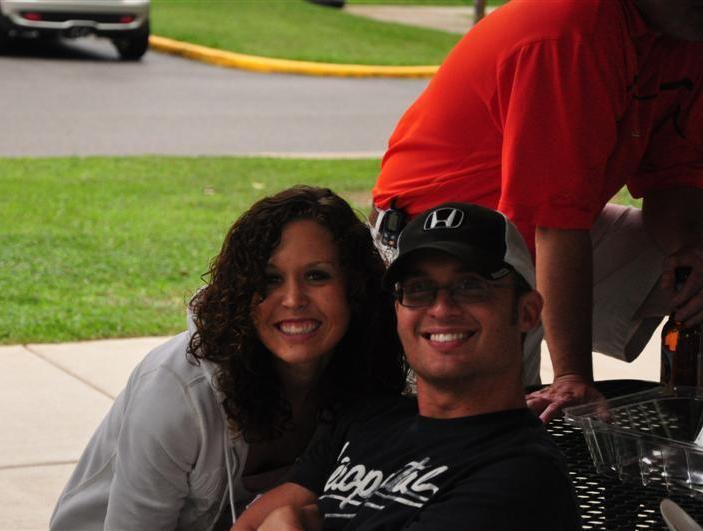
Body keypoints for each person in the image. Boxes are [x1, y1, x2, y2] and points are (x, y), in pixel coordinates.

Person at [371, 0, 703, 422]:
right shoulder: (570, 30)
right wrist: (572, 375)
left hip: (541, 233)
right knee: (486, 427)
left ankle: (689, 431)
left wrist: (690, 249)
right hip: (439, 245)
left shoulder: (685, 33)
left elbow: (673, 178)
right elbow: (556, 222)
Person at [49, 186, 408, 530]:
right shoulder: (177, 391)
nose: (293, 299)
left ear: (354, 287)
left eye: (317, 276)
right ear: (241, 292)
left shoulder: (368, 379)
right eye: (270, 279)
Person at [233, 203, 581, 531]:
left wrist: (293, 518)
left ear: (527, 311)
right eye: (417, 289)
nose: (441, 308)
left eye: (470, 286)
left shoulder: (521, 475)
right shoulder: (368, 420)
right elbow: (248, 525)